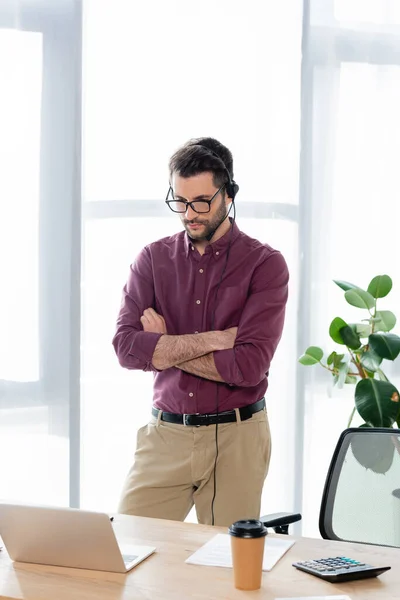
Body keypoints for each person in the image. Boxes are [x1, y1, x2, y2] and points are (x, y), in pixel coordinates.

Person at [112, 137, 289, 527]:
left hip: (238, 438)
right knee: (125, 546)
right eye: (180, 201)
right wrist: (215, 339)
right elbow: (126, 348)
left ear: (228, 194)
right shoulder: (152, 259)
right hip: (166, 435)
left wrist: (162, 346)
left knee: (226, 572)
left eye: (202, 202)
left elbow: (248, 367)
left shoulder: (265, 265)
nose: (189, 214)